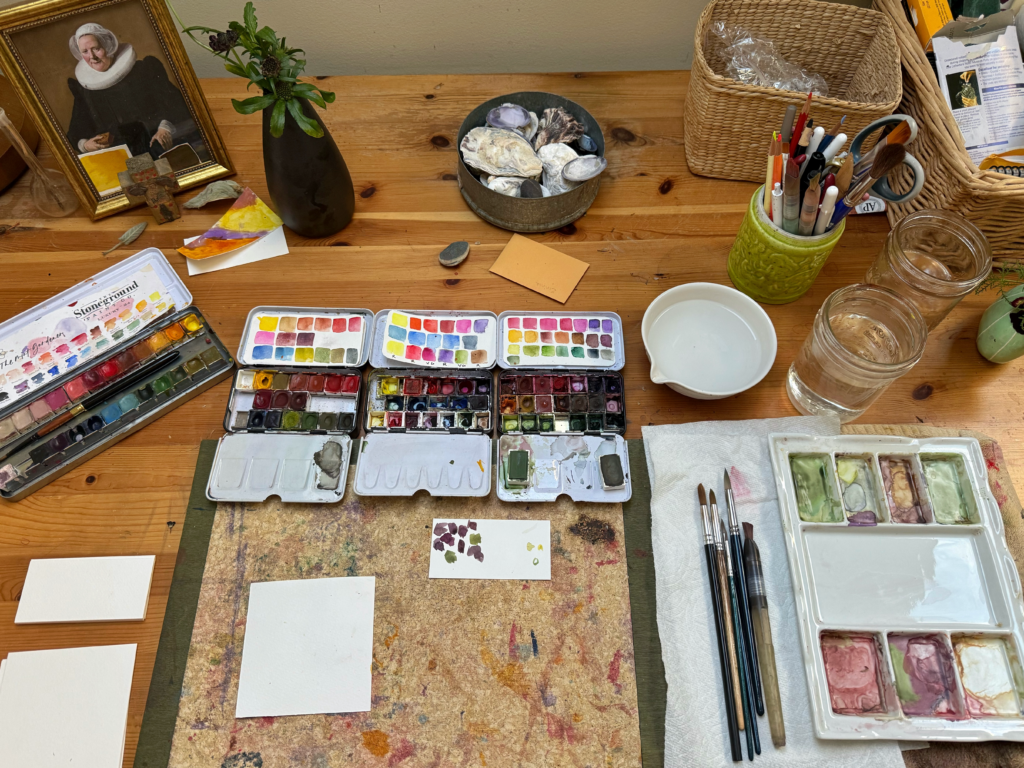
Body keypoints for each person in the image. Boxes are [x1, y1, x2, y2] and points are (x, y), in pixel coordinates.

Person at [66, 22, 202, 160]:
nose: (92, 57)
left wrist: (165, 127)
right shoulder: (85, 91)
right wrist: (85, 145)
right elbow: (75, 132)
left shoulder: (144, 70)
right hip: (120, 156)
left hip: (157, 145)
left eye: (96, 48)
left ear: (107, 45)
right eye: (85, 52)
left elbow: (178, 104)